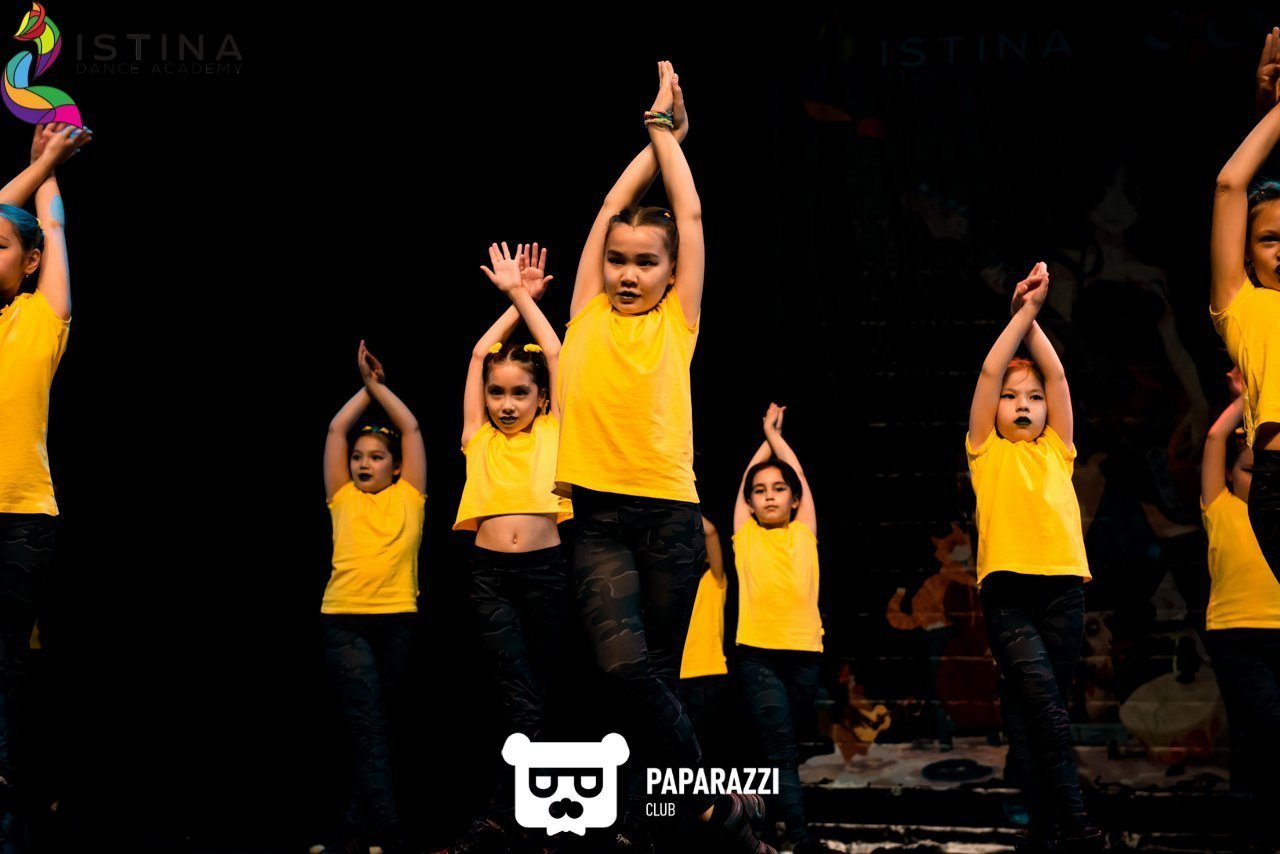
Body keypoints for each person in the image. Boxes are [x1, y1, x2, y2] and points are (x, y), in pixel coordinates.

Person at [966, 263, 1101, 852]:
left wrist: (1032, 317)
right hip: (1010, 598)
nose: (1022, 404)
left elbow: (1058, 373)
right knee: (1043, 708)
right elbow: (990, 369)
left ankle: (1045, 827)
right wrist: (1021, 314)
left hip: (1063, 591)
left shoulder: (1058, 449)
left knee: (1039, 713)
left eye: (1033, 397)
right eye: (1010, 397)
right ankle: (1076, 826)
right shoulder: (985, 451)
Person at [317, 342, 426, 854]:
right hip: (344, 621)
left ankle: (351, 831)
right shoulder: (341, 497)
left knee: (377, 728)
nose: (363, 463)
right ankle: (389, 831)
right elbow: (335, 431)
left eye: (376, 457)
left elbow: (412, 429)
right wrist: (365, 388)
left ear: (396, 467)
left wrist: (378, 388)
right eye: (359, 457)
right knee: (370, 725)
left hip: (398, 619)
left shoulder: (410, 496)